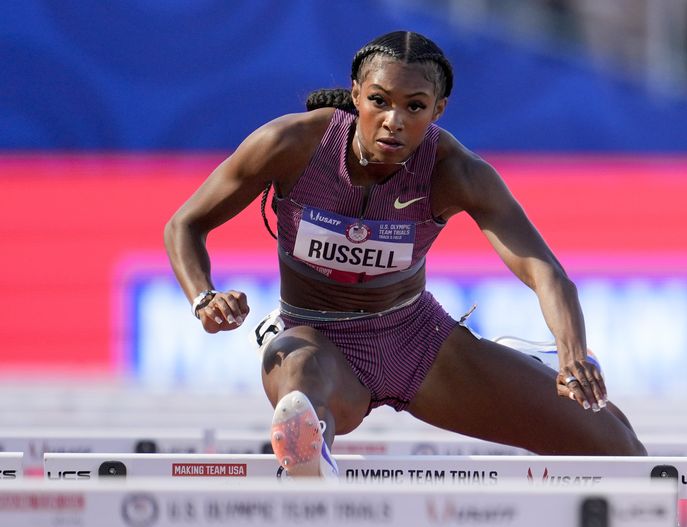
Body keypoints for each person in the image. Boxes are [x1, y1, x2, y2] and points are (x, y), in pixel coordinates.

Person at [164, 30, 646, 478]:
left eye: (414, 107)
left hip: (419, 340)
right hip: (316, 337)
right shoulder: (291, 145)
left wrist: (572, 355)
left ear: (437, 110)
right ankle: (311, 468)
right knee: (300, 390)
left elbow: (545, 271)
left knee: (620, 449)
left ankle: (522, 361)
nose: (394, 121)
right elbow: (184, 224)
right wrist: (203, 297)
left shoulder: (454, 171)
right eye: (379, 101)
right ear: (356, 95)